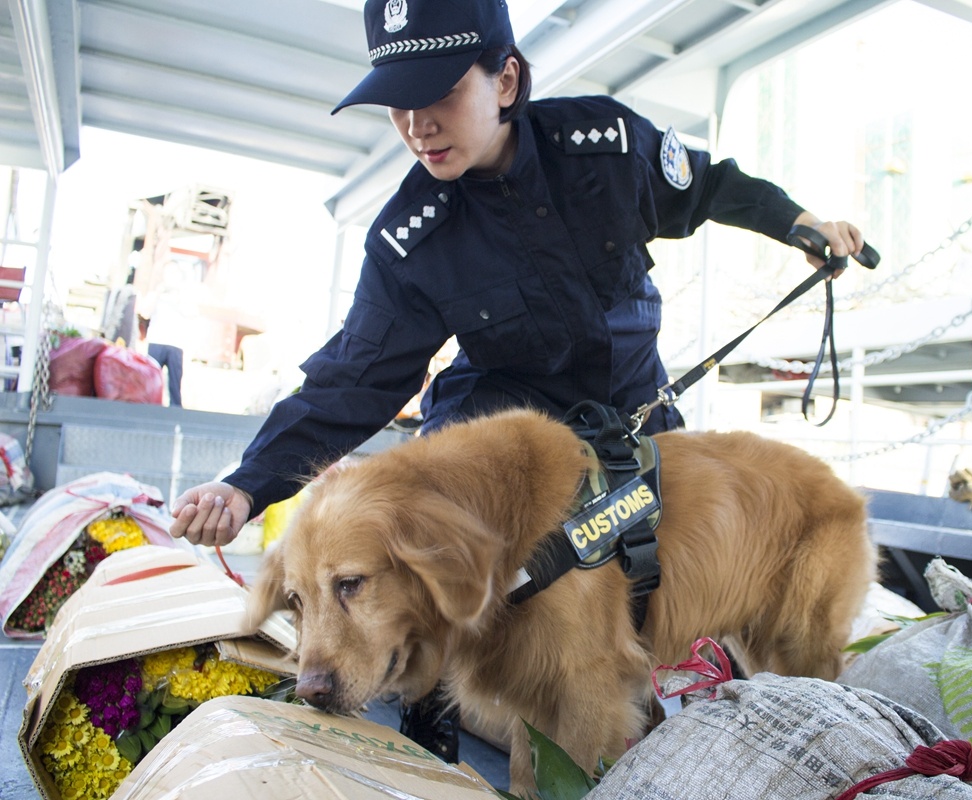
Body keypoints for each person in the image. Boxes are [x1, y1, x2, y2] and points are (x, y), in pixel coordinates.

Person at [169, 0, 866, 762]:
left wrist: (798, 221)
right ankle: (430, 713)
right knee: (454, 584)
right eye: (398, 103)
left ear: (505, 80)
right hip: (501, 454)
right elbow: (355, 376)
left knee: (630, 619)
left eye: (438, 94)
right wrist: (245, 485)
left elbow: (706, 186)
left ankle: (642, 721)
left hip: (625, 427)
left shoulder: (605, 147)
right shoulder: (412, 236)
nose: (416, 123)